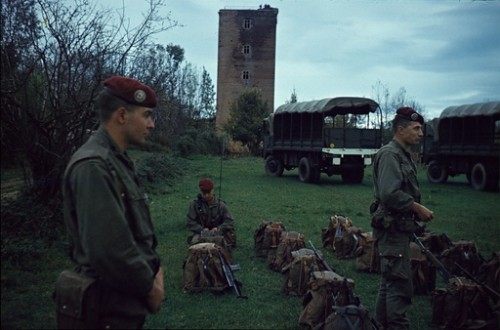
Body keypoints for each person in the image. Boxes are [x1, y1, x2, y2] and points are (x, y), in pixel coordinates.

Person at [61, 76, 164, 329]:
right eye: (147, 115)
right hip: (104, 308)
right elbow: (109, 251)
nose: (151, 125)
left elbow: (133, 230)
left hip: (120, 304)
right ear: (121, 116)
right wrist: (150, 287)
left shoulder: (116, 160)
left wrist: (155, 266)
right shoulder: (93, 166)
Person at [371, 107, 434, 330]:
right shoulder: (390, 155)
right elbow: (389, 194)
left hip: (397, 230)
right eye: (416, 128)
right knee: (399, 288)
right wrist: (416, 208)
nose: (420, 133)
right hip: (392, 231)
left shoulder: (401, 154)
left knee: (390, 284)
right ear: (400, 129)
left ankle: (379, 325)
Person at [186, 178, 236, 249]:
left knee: (222, 246)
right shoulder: (194, 205)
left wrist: (218, 228)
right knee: (196, 247)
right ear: (200, 191)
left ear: (213, 190)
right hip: (201, 233)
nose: (206, 196)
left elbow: (230, 221)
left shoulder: (221, 205)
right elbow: (190, 222)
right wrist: (201, 229)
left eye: (209, 193)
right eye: (204, 193)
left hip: (218, 233)